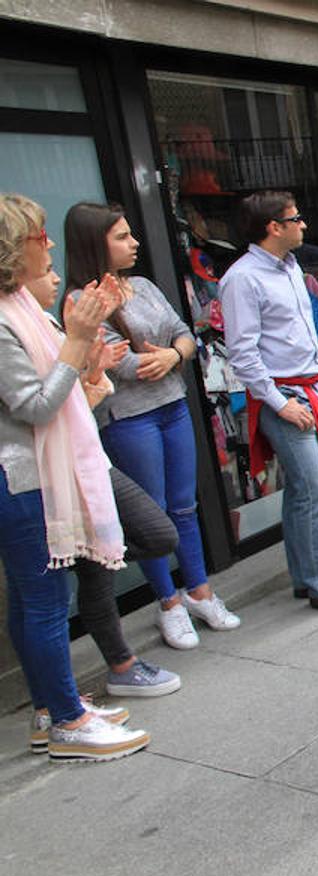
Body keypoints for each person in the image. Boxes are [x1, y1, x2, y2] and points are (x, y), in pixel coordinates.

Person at [0, 194, 151, 761]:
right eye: (42, 236)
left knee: (33, 600)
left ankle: (51, 709)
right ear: (17, 247)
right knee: (41, 602)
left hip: (34, 474)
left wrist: (82, 345)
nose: (51, 244)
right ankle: (66, 720)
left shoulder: (17, 304)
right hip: (21, 479)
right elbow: (35, 406)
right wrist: (78, 340)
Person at [63, 203, 240, 648]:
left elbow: (184, 329)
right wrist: (164, 356)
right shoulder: (81, 301)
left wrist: (173, 354)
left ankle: (199, 591)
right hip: (128, 418)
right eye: (122, 236)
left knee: (184, 506)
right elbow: (121, 366)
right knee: (153, 514)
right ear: (94, 243)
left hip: (172, 405)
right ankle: (169, 603)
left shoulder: (141, 285)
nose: (134, 243)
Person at [220, 191, 318, 615]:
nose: (304, 224)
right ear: (273, 227)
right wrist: (279, 402)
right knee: (315, 487)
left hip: (309, 388)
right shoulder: (243, 278)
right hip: (285, 396)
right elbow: (242, 353)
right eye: (296, 218)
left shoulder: (290, 267)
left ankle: (310, 575)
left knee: (304, 488)